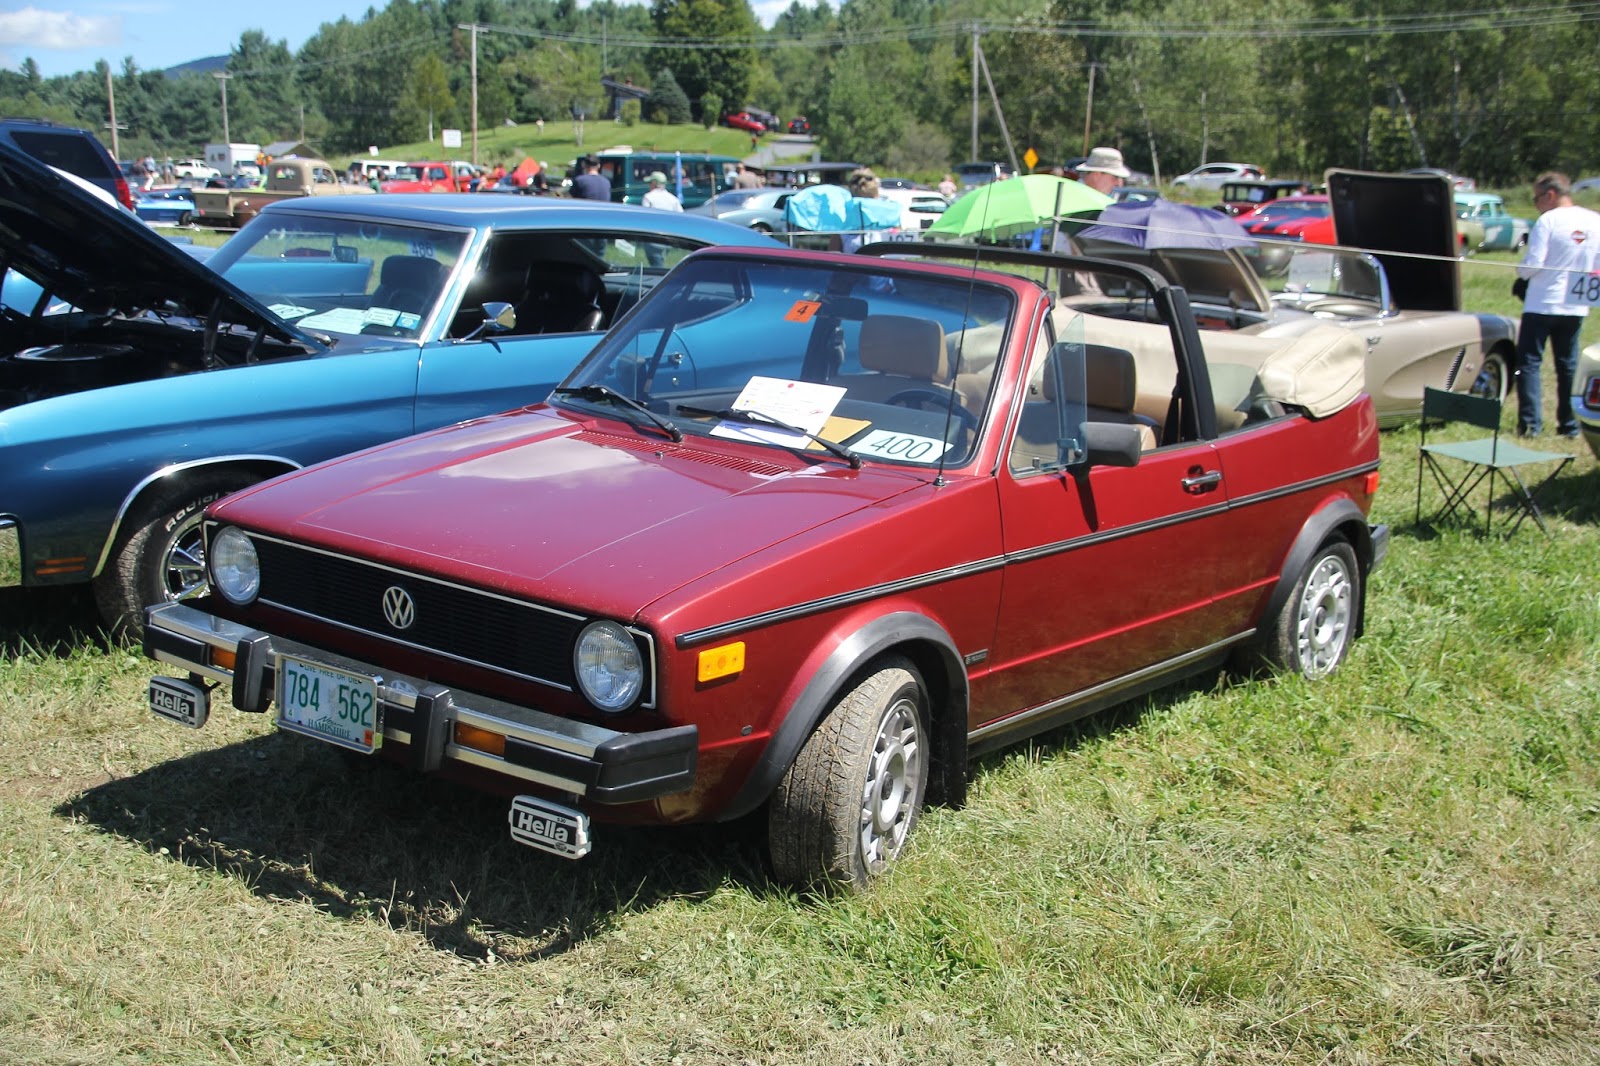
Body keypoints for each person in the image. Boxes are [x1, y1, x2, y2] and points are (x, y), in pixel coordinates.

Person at [1513, 171, 1600, 436]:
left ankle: (1530, 425)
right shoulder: (1595, 220)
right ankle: (1569, 426)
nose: (1536, 203)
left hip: (1542, 303)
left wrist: (1520, 272)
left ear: (1550, 195)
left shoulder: (1548, 220)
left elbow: (1534, 262)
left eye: (1536, 197)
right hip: (1575, 306)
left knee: (1528, 363)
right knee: (1567, 365)